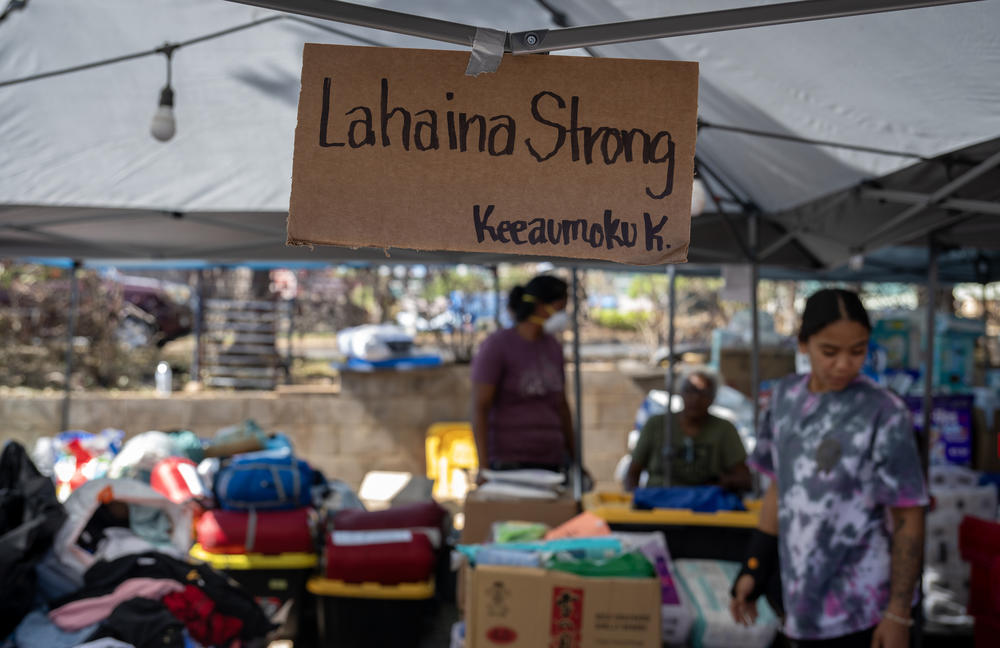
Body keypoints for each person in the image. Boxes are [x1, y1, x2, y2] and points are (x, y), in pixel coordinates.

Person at [730, 289, 927, 648]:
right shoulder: (785, 399)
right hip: (801, 600)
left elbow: (908, 514)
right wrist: (754, 566)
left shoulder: (884, 412)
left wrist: (898, 613)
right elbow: (781, 487)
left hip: (865, 606)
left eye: (858, 351)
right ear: (804, 344)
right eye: (829, 352)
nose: (843, 365)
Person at [471, 275, 576, 474]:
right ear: (540, 306)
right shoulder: (497, 346)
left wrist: (574, 457)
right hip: (509, 461)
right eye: (560, 307)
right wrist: (482, 466)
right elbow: (480, 407)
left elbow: (562, 406)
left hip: (551, 460)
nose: (562, 315)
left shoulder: (553, 347)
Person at [624, 369, 752, 492]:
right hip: (660, 503)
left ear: (713, 398)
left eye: (703, 393)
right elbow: (632, 473)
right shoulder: (657, 424)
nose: (695, 399)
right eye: (690, 391)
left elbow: (744, 478)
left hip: (707, 506)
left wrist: (720, 483)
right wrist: (637, 500)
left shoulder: (724, 429)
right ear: (681, 393)